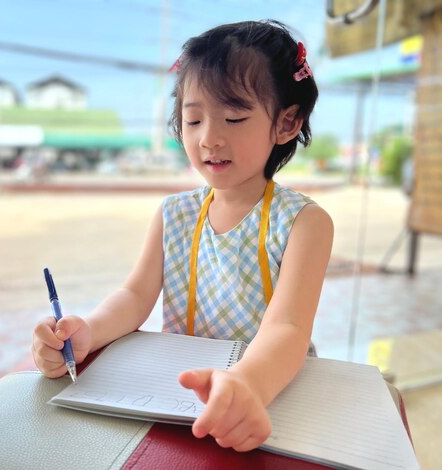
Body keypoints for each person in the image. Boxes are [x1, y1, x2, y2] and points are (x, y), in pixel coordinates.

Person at [32, 20, 333, 453]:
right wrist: (87, 332)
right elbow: (135, 297)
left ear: (286, 123)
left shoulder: (304, 222)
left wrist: (247, 383)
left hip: (266, 398)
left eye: (234, 117)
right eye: (193, 119)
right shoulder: (174, 213)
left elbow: (288, 329)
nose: (209, 137)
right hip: (179, 400)